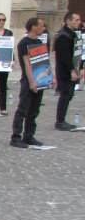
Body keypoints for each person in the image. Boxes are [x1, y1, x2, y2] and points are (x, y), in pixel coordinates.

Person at [11, 16, 50, 147]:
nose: (43, 28)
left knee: (34, 110)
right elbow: (27, 64)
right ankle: (16, 137)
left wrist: (50, 76)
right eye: (41, 25)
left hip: (40, 80)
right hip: (28, 80)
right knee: (23, 109)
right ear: (33, 26)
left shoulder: (39, 41)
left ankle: (29, 135)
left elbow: (44, 62)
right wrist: (32, 81)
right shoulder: (24, 43)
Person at [53, 10, 81, 130]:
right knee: (65, 95)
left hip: (73, 68)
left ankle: (62, 119)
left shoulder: (73, 34)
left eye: (79, 20)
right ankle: (60, 121)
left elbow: (77, 53)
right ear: (68, 21)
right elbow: (64, 56)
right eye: (76, 20)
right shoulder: (63, 36)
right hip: (65, 71)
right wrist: (72, 70)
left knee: (69, 95)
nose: (78, 22)